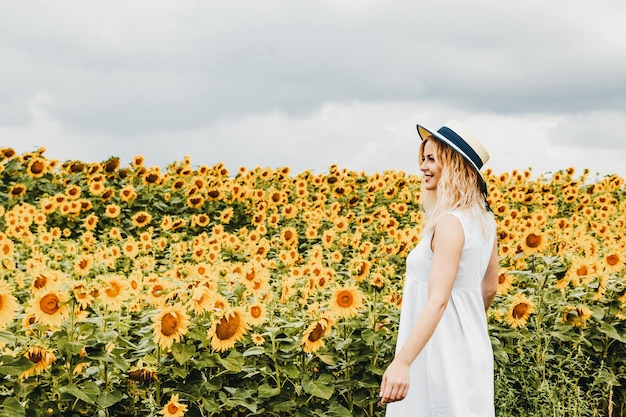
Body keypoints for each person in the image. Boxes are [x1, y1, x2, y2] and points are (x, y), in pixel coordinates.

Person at [379, 120, 499, 416]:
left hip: (435, 353)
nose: (423, 166)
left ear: (454, 165)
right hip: (468, 348)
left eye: (432, 159)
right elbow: (489, 288)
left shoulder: (450, 223)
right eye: (423, 158)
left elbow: (438, 299)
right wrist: (462, 326)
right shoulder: (484, 219)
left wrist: (403, 362)